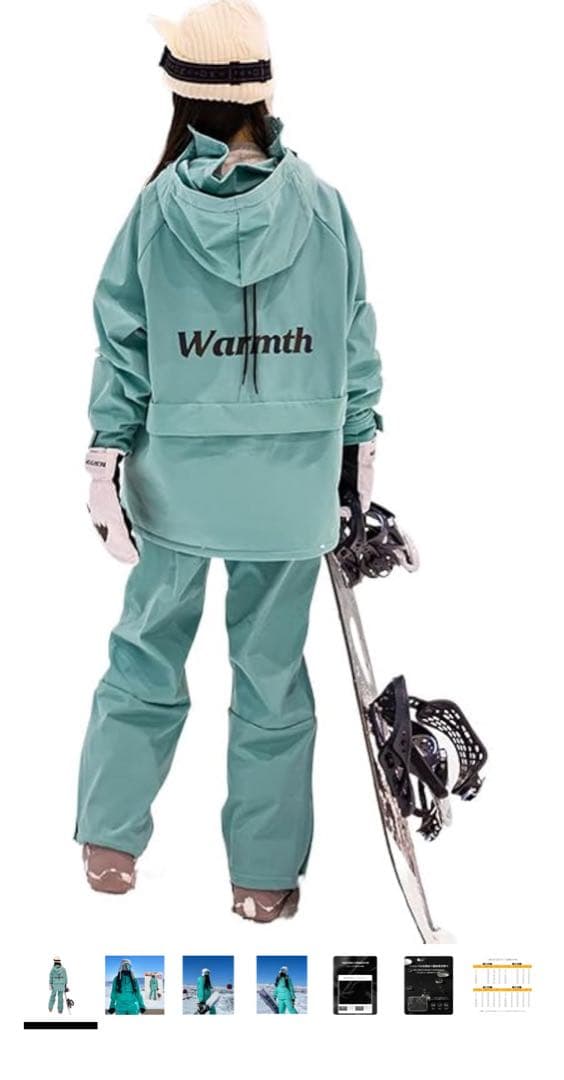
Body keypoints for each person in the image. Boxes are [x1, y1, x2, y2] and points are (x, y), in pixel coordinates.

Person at [76, 0, 382, 922]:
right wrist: (357, 456)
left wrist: (103, 462)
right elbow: (354, 341)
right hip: (291, 490)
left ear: (183, 97)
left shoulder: (155, 212)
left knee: (145, 653)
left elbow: (122, 346)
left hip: (176, 482)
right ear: (264, 92)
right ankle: (262, 878)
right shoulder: (323, 208)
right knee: (273, 676)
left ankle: (109, 844)